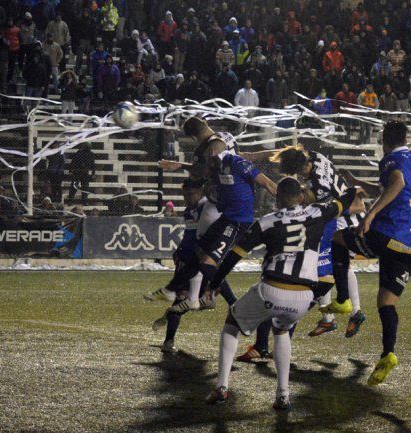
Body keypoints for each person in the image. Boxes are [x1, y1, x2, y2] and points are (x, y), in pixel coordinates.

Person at [205, 177, 363, 410]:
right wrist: (353, 188)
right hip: (304, 296)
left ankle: (221, 387)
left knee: (232, 324)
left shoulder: (266, 221)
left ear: (277, 198)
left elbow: (234, 255)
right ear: (300, 196)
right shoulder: (318, 212)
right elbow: (344, 201)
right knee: (281, 330)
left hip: (272, 289)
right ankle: (283, 395)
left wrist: (214, 282)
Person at [321, 120, 411, 386]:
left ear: (384, 140)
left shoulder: (391, 159)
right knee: (386, 302)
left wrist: (370, 214)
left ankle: (343, 299)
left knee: (337, 238)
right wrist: (357, 182)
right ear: (405, 139)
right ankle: (388, 354)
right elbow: (388, 188)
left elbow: (396, 184)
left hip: (391, 232)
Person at [159, 117, 277, 314]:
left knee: (204, 253)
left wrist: (180, 165)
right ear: (205, 123)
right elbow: (245, 157)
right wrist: (269, 153)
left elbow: (201, 172)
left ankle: (202, 297)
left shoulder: (203, 150)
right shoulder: (228, 137)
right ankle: (204, 295)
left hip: (218, 204)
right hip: (233, 202)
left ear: (193, 137)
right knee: (206, 254)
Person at [149, 178, 237, 352]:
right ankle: (168, 341)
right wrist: (180, 249)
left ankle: (230, 303)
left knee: (202, 299)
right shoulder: (189, 210)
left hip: (202, 260)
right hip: (186, 261)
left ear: (201, 192)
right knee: (181, 299)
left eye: (191, 194)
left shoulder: (208, 207)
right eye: (185, 195)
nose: (187, 198)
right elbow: (190, 235)